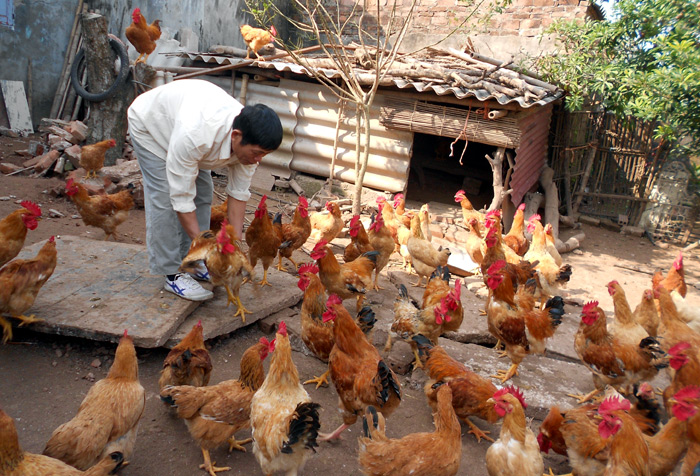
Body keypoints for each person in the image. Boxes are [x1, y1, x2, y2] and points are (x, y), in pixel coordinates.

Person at [127, 79, 283, 301]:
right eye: (257, 153)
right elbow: (181, 199)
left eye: (264, 155)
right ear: (236, 136)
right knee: (165, 198)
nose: (259, 160)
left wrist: (234, 249)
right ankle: (172, 273)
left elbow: (238, 195)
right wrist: (210, 251)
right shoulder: (197, 136)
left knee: (203, 190)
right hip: (151, 126)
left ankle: (193, 261)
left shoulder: (249, 148)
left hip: (186, 122)